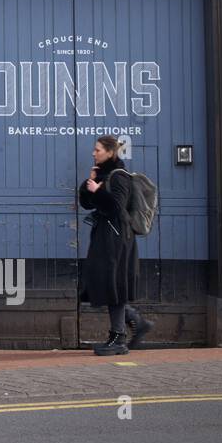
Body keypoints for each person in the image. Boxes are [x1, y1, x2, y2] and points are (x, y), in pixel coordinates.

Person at [78, 135, 155, 355]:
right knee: (105, 282)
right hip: (105, 235)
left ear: (111, 152)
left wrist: (98, 191)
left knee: (114, 283)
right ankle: (134, 321)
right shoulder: (102, 175)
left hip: (117, 238)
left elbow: (117, 207)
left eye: (98, 150)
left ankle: (118, 338)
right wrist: (88, 186)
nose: (94, 153)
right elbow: (86, 204)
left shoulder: (120, 177)